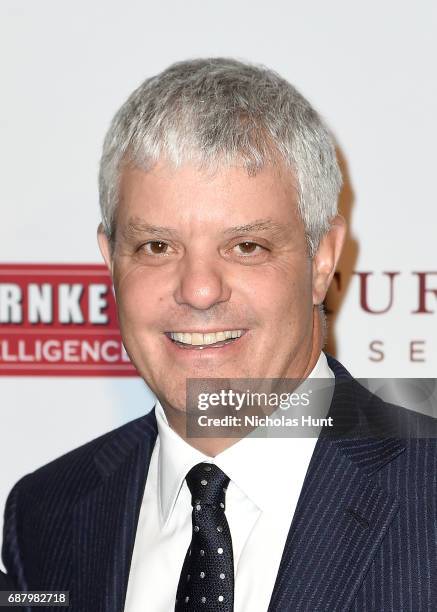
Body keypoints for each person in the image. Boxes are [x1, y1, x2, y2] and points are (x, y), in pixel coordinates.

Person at [2, 58, 436, 612]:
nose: (200, 290)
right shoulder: (47, 513)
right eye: (157, 247)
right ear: (110, 261)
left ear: (322, 259)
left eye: (246, 246)